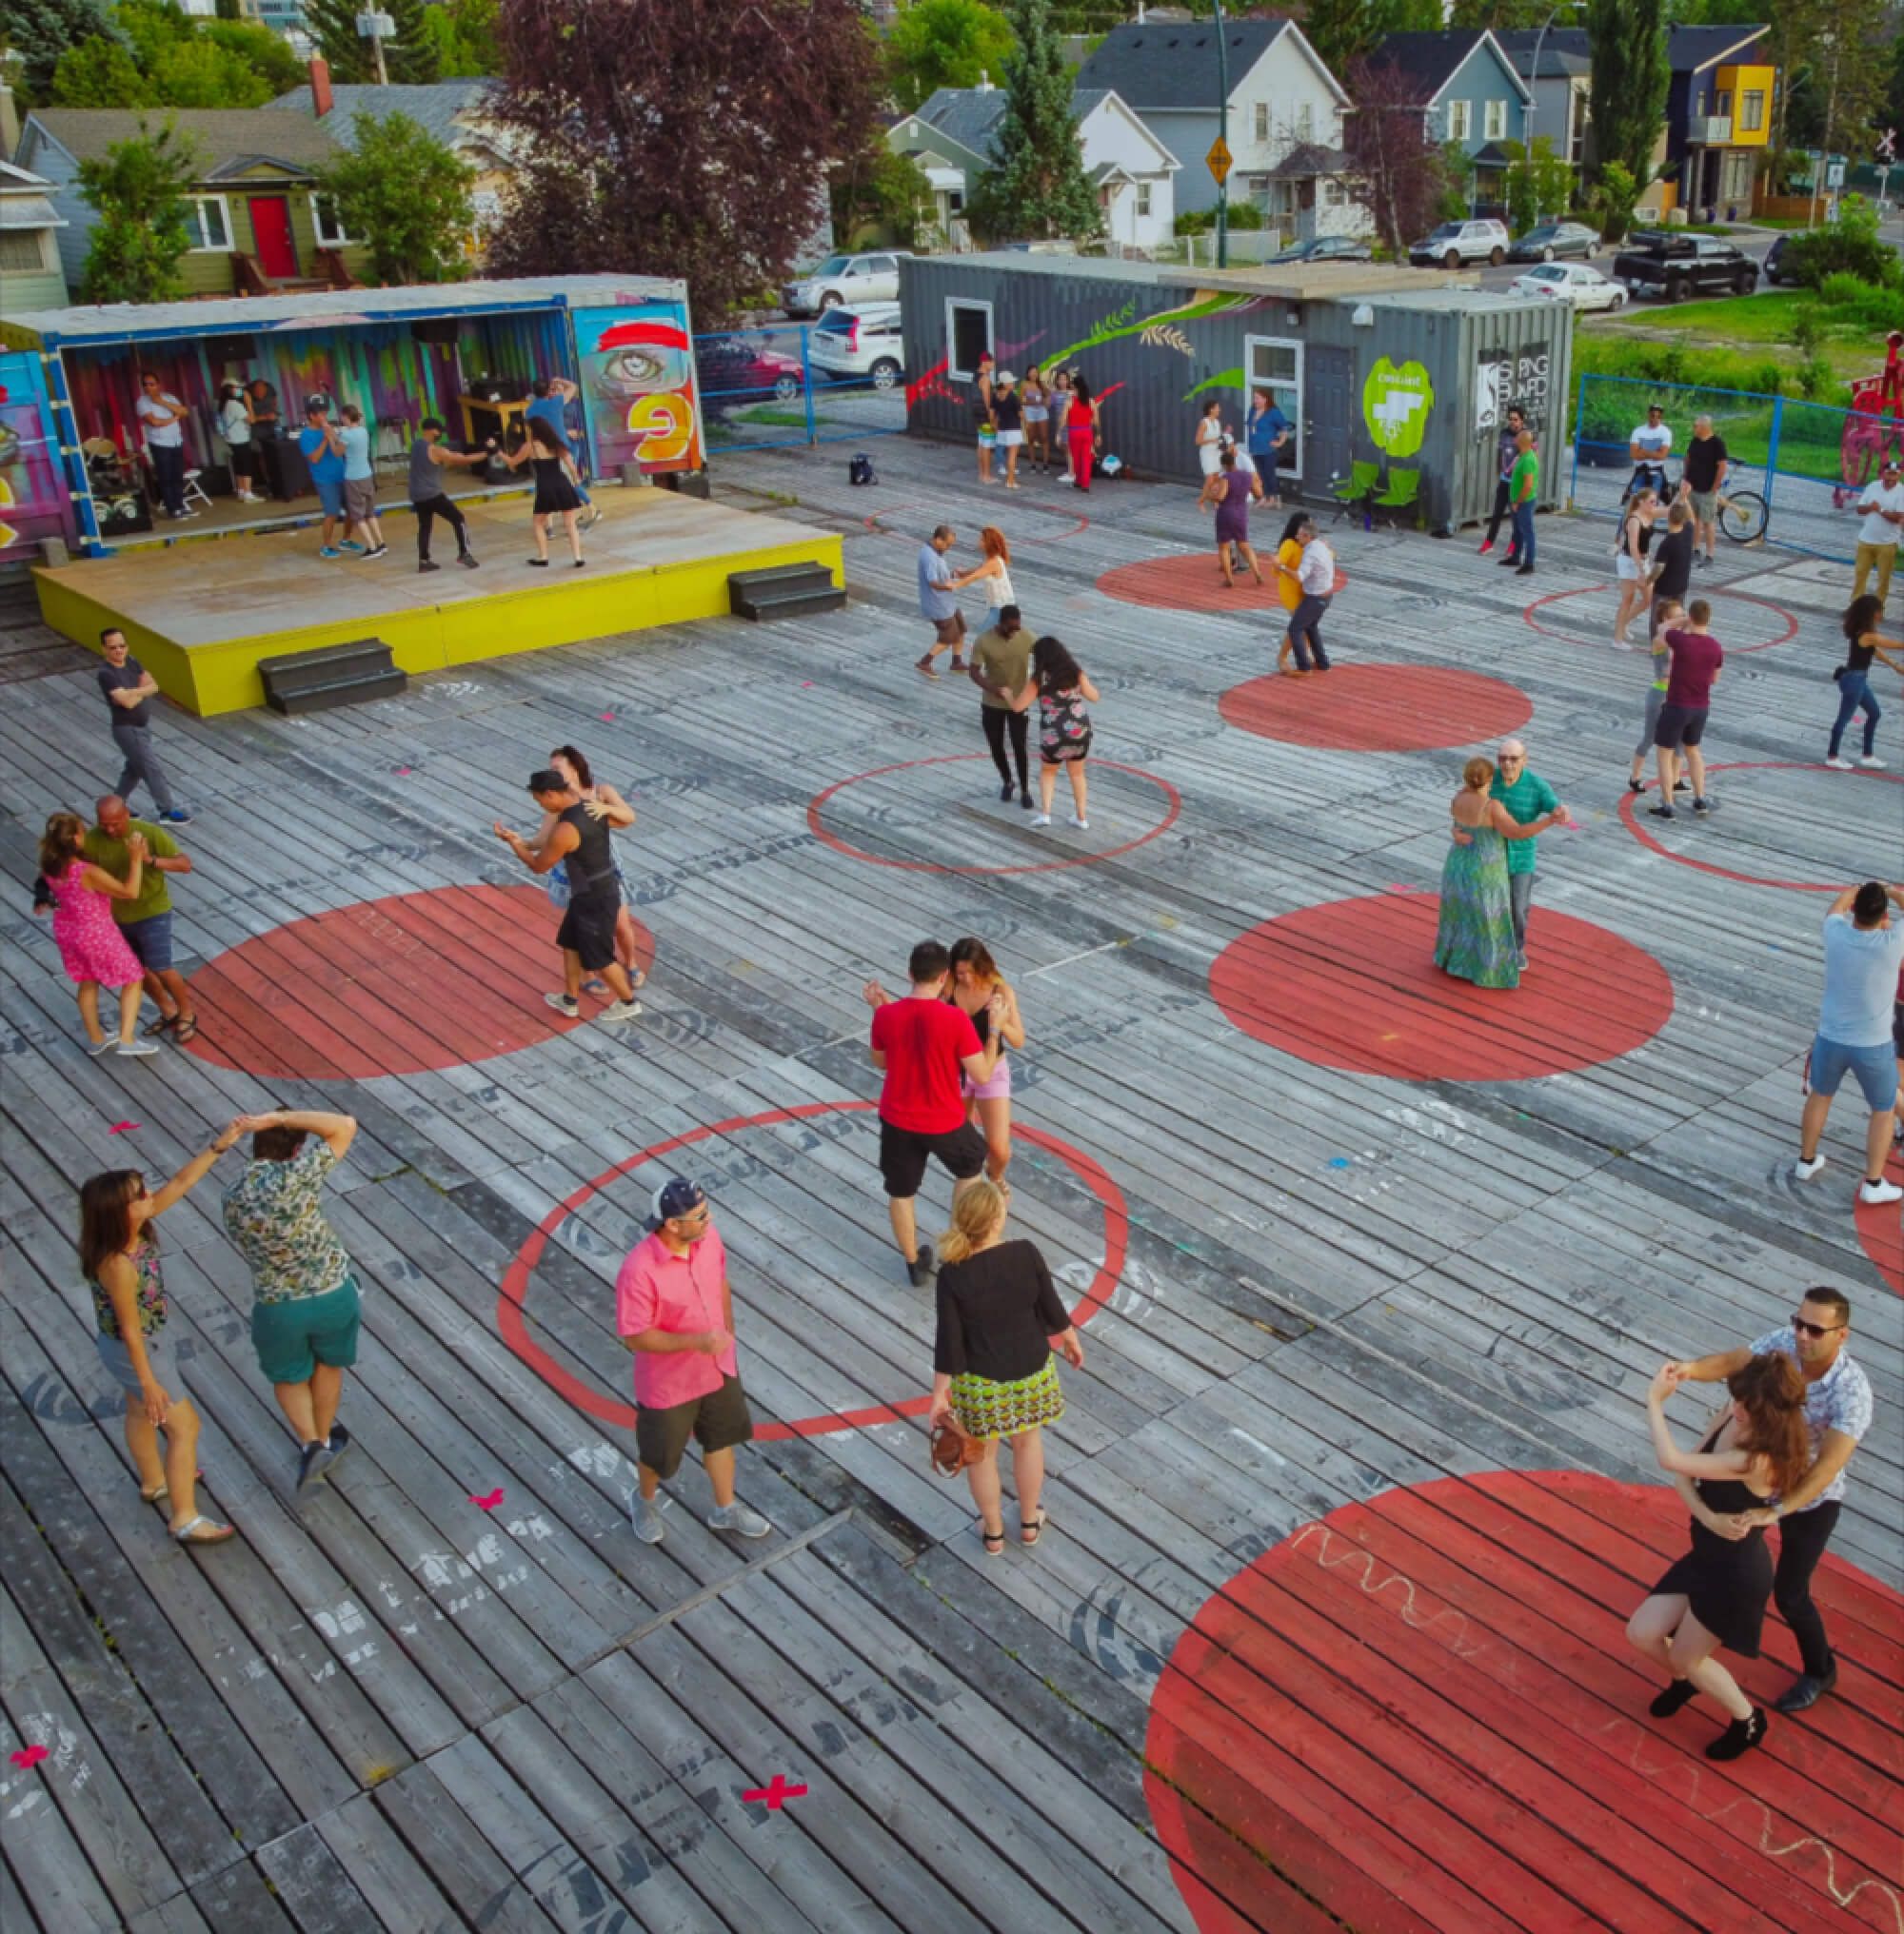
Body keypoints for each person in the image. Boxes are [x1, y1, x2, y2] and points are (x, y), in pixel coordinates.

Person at [1669, 1291, 1874, 1714]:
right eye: (1799, 1323)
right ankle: (1688, 1624)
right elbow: (1734, 1362)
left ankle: (1821, 1671)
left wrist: (1777, 1511)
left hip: (1807, 1498)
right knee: (1719, 1546)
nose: (1802, 1335)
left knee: (1790, 1594)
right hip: (1757, 1476)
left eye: (1815, 1330)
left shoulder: (1852, 1393)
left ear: (1842, 1335)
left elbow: (1825, 1469)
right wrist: (1688, 1370)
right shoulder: (1785, 1341)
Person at [1624, 1354, 1810, 1762]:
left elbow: (1670, 1460)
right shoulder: (1734, 1414)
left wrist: (1655, 1401)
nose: (1737, 1409)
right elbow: (1682, 1476)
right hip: (1705, 1557)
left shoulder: (1756, 1458)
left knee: (1686, 1658)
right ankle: (1689, 1678)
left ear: (1771, 1414)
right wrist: (1708, 1516)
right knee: (1640, 1633)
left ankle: (1747, 1720)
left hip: (1736, 1576)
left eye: (1748, 1406)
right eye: (1737, 1399)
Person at [80, 1130, 249, 1546]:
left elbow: (182, 1183)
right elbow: (131, 1331)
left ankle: (154, 1481)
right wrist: (150, 1381)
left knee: (140, 1412)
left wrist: (219, 1145)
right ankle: (184, 1518)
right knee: (184, 1427)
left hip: (136, 1344)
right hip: (137, 1348)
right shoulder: (118, 1264)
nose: (150, 1195)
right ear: (120, 1211)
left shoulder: (131, 1234)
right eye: (140, 1194)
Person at [929, 1181, 1083, 1555]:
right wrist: (1069, 1337)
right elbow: (1050, 1304)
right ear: (999, 1218)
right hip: (1032, 1370)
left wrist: (938, 1393)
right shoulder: (1025, 1253)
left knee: (981, 1456)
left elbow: (949, 1338)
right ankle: (1029, 1522)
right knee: (1028, 1442)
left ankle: (994, 1532)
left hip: (981, 1381)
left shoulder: (953, 1272)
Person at [617, 1178, 771, 1546]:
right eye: (699, 1216)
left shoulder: (708, 1240)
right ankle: (644, 1499)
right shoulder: (638, 1271)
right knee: (660, 1458)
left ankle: (725, 1508)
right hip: (669, 1386)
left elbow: (720, 1284)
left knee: (722, 1440)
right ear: (672, 1225)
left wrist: (726, 1337)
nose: (709, 1219)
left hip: (718, 1369)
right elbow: (635, 1336)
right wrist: (698, 1342)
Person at [220, 1108, 364, 1494]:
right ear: (299, 1148)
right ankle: (326, 1437)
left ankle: (310, 1442)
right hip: (333, 1292)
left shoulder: (233, 1194)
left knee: (288, 1375)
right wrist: (276, 1117)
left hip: (278, 1303)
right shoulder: (298, 1176)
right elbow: (345, 1125)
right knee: (329, 1365)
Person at [863, 940, 1004, 1286]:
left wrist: (881, 1011)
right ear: (944, 977)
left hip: (897, 1118)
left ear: (909, 973)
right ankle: (958, 1250)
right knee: (971, 1164)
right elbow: (982, 1075)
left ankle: (913, 1263)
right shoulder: (954, 1019)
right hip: (943, 1119)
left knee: (901, 1191)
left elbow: (881, 1062)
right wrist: (995, 1027)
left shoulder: (886, 1015)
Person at [494, 769, 643, 1024]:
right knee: (571, 943)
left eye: (540, 800)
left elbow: (539, 866)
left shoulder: (566, 828)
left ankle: (629, 1003)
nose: (541, 805)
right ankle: (570, 1000)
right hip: (594, 891)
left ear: (550, 794)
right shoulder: (591, 808)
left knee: (600, 958)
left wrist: (514, 844)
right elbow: (624, 820)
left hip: (594, 899)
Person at [1796, 881, 1904, 1204]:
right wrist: (1891, 890)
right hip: (1873, 1045)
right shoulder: (1891, 943)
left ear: (1854, 910)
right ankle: (1873, 1183)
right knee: (1883, 1110)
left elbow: (1836, 908)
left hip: (1830, 1038)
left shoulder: (1835, 934)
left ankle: (1806, 1161)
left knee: (1820, 1096)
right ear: (1884, 915)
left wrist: (1855, 892)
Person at [1434, 758, 1566, 990]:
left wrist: (1455, 833)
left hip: (1457, 865)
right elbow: (1517, 832)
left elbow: (1458, 825)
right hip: (1485, 869)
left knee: (1462, 915)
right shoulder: (1491, 807)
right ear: (1489, 779)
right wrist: (1548, 822)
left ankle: (1455, 962)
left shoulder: (1458, 798)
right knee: (1489, 918)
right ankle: (1487, 968)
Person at [37, 811, 158, 1056]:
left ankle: (96, 1038)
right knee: (134, 977)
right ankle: (127, 1039)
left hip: (68, 932)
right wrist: (135, 859)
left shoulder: (50, 867)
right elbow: (129, 892)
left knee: (87, 981)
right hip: (96, 931)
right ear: (76, 838)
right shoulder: (86, 871)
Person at [83, 795, 197, 1044]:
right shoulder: (91, 841)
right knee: (137, 971)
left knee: (161, 967)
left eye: (115, 823)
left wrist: (149, 860)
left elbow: (185, 865)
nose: (110, 829)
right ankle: (168, 1010)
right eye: (104, 824)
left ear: (126, 815)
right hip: (116, 917)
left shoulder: (149, 833)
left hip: (152, 910)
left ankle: (187, 1012)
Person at [540, 744, 646, 990]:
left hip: (605, 866)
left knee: (620, 923)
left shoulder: (601, 791)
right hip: (576, 874)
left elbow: (629, 816)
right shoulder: (559, 803)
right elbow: (543, 838)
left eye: (557, 768)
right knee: (582, 929)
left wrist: (605, 808)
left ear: (575, 768)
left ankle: (631, 964)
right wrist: (518, 842)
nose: (553, 773)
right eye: (551, 769)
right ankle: (588, 976)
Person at [946, 938, 1025, 1187]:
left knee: (999, 1149)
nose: (966, 979)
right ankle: (971, 1191)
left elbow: (1019, 1040)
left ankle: (996, 1176)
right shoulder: (948, 987)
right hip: (958, 1069)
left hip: (992, 1070)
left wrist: (999, 1023)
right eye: (960, 973)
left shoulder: (1000, 991)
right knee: (961, 1142)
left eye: (971, 972)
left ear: (982, 967)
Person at [1007, 634, 1099, 830]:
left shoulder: (1039, 678)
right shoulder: (1075, 672)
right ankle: (1081, 817)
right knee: (1077, 773)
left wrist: (1008, 695)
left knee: (1049, 772)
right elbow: (1094, 696)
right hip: (1079, 729)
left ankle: (1045, 814)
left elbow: (1018, 707)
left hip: (1053, 732)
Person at [96, 629, 187, 824]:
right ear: (104, 649)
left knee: (134, 769)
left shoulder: (132, 661)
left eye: (122, 646)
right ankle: (167, 811)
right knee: (150, 768)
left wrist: (132, 692)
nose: (119, 650)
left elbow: (154, 686)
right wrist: (140, 692)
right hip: (127, 729)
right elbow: (127, 703)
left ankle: (117, 807)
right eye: (113, 647)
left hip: (142, 726)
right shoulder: (106, 673)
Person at [1487, 740, 1563, 971]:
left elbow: (1552, 804)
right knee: (1489, 904)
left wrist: (1559, 812)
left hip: (1521, 856)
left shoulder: (1537, 786)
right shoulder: (1490, 780)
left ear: (1524, 760)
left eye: (1513, 759)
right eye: (1502, 759)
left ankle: (1517, 948)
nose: (1507, 764)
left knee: (1518, 906)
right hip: (1491, 855)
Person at [1649, 598, 1722, 819]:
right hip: (1701, 707)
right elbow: (1715, 679)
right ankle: (1700, 798)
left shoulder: (1680, 640)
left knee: (1664, 753)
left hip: (1677, 705)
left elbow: (1661, 628)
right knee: (1693, 750)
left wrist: (1681, 619)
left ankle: (1668, 805)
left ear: (1690, 616)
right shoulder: (1715, 646)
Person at [969, 602, 1034, 808]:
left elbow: (1046, 655)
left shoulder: (1027, 636)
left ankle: (1025, 789)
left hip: (1018, 702)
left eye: (1018, 627)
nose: (1015, 632)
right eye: (1011, 628)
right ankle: (1007, 780)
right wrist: (992, 689)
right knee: (995, 745)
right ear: (1001, 623)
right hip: (992, 703)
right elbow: (974, 672)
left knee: (1019, 745)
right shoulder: (984, 641)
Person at [408, 417, 491, 574]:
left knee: (425, 526)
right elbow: (463, 460)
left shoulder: (416, 445)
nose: (440, 435)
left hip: (416, 495)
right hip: (432, 494)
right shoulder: (435, 450)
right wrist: (487, 453)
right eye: (439, 431)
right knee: (458, 519)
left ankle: (424, 560)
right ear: (432, 430)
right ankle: (464, 553)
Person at [500, 417, 585, 567]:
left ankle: (543, 556)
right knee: (570, 523)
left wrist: (496, 451)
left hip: (545, 486)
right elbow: (570, 465)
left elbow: (512, 462)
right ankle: (578, 557)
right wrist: (576, 478)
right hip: (562, 482)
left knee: (538, 522)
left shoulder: (530, 446)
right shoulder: (556, 443)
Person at [1827, 595, 1900, 769]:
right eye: (1880, 611)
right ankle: (1832, 756)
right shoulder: (1867, 634)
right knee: (1843, 719)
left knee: (1874, 713)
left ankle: (1867, 755)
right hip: (1854, 681)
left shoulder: (1863, 632)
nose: (1882, 614)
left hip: (1856, 679)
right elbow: (1890, 644)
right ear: (1872, 613)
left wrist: (1894, 665)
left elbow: (1876, 651)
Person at [1628, 597, 1691, 796]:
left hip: (1678, 693)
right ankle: (1635, 777)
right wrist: (1683, 621)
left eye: (1683, 614)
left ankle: (1676, 778)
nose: (1682, 618)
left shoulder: (1682, 637)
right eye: (1678, 615)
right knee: (1650, 738)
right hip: (1660, 693)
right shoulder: (1659, 640)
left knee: (1680, 738)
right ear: (1666, 618)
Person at [526, 376, 598, 527]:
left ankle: (587, 509)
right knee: (569, 481)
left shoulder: (530, 411)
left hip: (542, 454)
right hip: (560, 449)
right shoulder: (556, 403)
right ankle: (585, 510)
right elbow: (573, 386)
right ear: (547, 391)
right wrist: (559, 379)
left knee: (552, 484)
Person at [298, 399, 356, 560]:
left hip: (342, 475)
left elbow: (339, 447)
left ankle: (346, 539)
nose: (325, 417)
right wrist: (324, 439)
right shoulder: (306, 436)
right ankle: (326, 545)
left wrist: (333, 435)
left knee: (352, 509)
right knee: (332, 512)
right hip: (325, 479)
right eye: (321, 414)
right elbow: (314, 458)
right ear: (312, 416)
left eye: (325, 413)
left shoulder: (330, 428)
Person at [1200, 447, 1262, 588]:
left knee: (1224, 547)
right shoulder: (1247, 476)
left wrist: (1210, 496)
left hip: (1226, 513)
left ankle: (1229, 579)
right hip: (1241, 512)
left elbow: (1221, 497)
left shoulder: (1225, 478)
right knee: (1244, 545)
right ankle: (1257, 573)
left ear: (1224, 465)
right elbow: (1258, 494)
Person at [136, 372, 192, 522]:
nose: (148, 387)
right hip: (160, 443)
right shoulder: (142, 402)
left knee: (177, 475)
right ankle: (172, 509)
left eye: (151, 384)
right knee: (166, 477)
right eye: (145, 384)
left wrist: (162, 402)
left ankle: (180, 505)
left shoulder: (169, 397)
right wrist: (174, 417)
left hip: (176, 441)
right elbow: (154, 422)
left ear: (158, 384)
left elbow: (185, 411)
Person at [334, 405, 387, 560]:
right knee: (370, 512)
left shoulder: (347, 436)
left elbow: (337, 452)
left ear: (346, 417)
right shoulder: (363, 431)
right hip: (367, 474)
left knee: (358, 515)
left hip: (353, 477)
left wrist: (331, 438)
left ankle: (371, 547)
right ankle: (381, 543)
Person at [1612, 490, 1661, 646]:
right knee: (1628, 599)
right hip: (1629, 561)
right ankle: (1617, 639)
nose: (1654, 505)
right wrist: (1642, 569)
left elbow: (1670, 511)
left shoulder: (1650, 514)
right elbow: (1633, 547)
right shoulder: (1634, 519)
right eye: (1651, 502)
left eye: (1655, 502)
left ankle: (1623, 623)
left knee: (1648, 599)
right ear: (1641, 502)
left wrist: (1682, 496)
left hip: (1642, 560)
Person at [1478, 405, 1528, 557]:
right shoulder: (1504, 433)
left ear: (1522, 420)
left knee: (1515, 516)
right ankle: (1489, 543)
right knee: (1497, 513)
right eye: (1510, 419)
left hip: (1517, 483)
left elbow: (1531, 459)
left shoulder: (1526, 436)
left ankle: (1514, 544)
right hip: (1504, 480)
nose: (1513, 422)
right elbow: (1500, 454)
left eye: (1516, 420)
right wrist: (1499, 471)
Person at [1853, 457, 1903, 605]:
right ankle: (1856, 605)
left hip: (1887, 543)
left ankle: (1878, 609)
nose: (1891, 478)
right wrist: (1870, 507)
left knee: (1883, 579)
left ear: (1899, 475)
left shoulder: (1902, 492)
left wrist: (1880, 509)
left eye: (1894, 474)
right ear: (1883, 474)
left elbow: (1898, 517)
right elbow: (1859, 509)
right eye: (1889, 473)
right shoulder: (1872, 486)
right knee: (1860, 575)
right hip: (1866, 540)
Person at [916, 523, 964, 679]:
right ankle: (925, 662)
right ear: (938, 539)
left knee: (961, 629)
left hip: (948, 604)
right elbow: (933, 582)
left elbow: (940, 576)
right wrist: (948, 586)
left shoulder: (936, 552)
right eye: (947, 544)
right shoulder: (929, 557)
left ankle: (956, 661)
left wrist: (952, 574)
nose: (948, 548)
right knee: (948, 637)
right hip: (938, 606)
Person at [1679, 414, 1728, 566]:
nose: (1694, 428)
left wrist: (1715, 486)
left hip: (1707, 489)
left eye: (1696, 426)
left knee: (1708, 522)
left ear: (1704, 427)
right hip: (1692, 487)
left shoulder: (1717, 444)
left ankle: (1710, 555)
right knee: (1693, 520)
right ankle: (1695, 550)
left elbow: (1722, 466)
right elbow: (1687, 459)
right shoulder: (1695, 441)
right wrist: (1686, 478)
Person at [1288, 519, 1336, 673]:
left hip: (1316, 598)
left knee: (1295, 629)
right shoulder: (1321, 545)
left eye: (1299, 535)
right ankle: (1323, 662)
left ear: (1308, 536)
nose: (1296, 537)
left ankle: (1304, 667)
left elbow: (1300, 576)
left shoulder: (1310, 553)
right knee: (1311, 627)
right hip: (1326, 595)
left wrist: (1280, 567)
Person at [948, 523, 1015, 618]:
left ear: (989, 543)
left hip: (1003, 611)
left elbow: (975, 576)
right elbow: (975, 571)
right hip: (1000, 609)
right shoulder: (990, 561)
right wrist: (961, 574)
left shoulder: (994, 563)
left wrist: (954, 585)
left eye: (982, 540)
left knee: (985, 632)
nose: (979, 542)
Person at [1648, 500, 1695, 622]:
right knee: (1677, 617)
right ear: (1683, 519)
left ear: (1668, 519)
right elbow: (1692, 518)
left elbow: (1659, 568)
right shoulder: (1688, 531)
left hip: (1664, 589)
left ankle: (1656, 640)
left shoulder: (1667, 543)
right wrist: (1684, 498)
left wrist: (1648, 580)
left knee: (1658, 619)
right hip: (1681, 586)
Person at [217, 382, 263, 505]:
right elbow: (252, 420)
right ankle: (248, 493)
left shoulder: (226, 404)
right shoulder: (235, 405)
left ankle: (241, 491)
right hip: (240, 439)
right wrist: (248, 402)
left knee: (239, 464)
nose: (240, 389)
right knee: (246, 465)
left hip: (233, 439)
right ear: (230, 390)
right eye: (237, 387)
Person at [1272, 511, 1306, 674]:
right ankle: (1282, 657)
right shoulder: (1289, 544)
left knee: (1307, 624)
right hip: (1291, 590)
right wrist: (1281, 566)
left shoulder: (1308, 543)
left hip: (1304, 589)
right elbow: (1278, 565)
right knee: (1299, 625)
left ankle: (1304, 654)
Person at [1245, 387, 1288, 511]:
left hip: (1268, 449)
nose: (1255, 400)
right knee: (1261, 474)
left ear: (1265, 399)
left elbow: (1284, 428)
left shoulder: (1273, 412)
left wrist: (1280, 442)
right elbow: (1250, 426)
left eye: (1258, 398)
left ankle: (1274, 498)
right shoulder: (1253, 410)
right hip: (1255, 448)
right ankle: (1265, 497)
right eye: (1254, 398)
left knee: (1269, 474)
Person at [1626, 403, 1673, 503]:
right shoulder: (1638, 431)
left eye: (1658, 417)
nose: (1655, 419)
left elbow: (1662, 456)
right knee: (1632, 501)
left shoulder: (1666, 432)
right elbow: (1634, 455)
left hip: (1656, 472)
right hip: (1640, 471)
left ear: (1661, 417)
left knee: (1652, 503)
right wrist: (1654, 453)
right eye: (1653, 415)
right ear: (1648, 415)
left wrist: (1643, 451)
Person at [1065, 376, 1100, 491]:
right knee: (1086, 458)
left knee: (1076, 458)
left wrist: (1059, 432)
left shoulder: (1070, 401)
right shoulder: (1091, 401)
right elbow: (1096, 420)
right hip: (1087, 432)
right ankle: (1085, 484)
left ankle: (1078, 481)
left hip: (1074, 432)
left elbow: (1063, 419)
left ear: (1075, 387)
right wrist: (1098, 434)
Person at [990, 372, 1024, 489]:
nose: (1013, 383)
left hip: (1002, 429)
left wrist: (995, 426)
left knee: (1008, 454)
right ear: (1006, 384)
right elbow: (1021, 415)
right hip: (1014, 429)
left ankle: (1010, 479)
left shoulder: (995, 396)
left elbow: (992, 415)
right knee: (1012, 456)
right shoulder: (1013, 397)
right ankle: (1010, 481)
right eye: (1011, 382)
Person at [1021, 366, 1050, 473]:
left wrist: (1045, 401)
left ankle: (1046, 464)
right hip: (1029, 411)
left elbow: (1048, 396)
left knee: (1044, 437)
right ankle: (1032, 464)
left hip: (1041, 411)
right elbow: (1022, 401)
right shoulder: (1024, 384)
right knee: (1031, 438)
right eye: (1032, 372)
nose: (1034, 374)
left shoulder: (1041, 384)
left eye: (1036, 372)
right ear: (1028, 374)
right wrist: (1031, 402)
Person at [974, 352, 997, 484]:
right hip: (984, 415)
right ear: (985, 362)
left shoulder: (975, 375)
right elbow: (988, 401)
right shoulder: (986, 379)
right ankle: (987, 476)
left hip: (976, 413)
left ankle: (981, 473)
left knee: (981, 443)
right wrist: (992, 418)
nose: (993, 364)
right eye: (992, 362)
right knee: (987, 446)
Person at [244, 377, 280, 444]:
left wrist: (274, 410)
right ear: (252, 390)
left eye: (263, 392)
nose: (261, 395)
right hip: (256, 430)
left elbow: (275, 399)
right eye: (258, 392)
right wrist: (265, 417)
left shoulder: (269, 387)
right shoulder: (246, 394)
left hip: (272, 426)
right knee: (260, 448)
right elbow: (247, 419)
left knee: (277, 445)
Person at [1195, 399, 1225, 480]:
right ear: (1211, 410)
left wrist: (1226, 433)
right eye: (1217, 407)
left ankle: (1213, 493)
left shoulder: (1217, 422)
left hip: (1217, 453)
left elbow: (1219, 437)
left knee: (1217, 477)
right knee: (1210, 478)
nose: (1219, 410)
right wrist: (1212, 440)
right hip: (1207, 453)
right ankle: (1205, 493)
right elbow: (1197, 441)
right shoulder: (1204, 422)